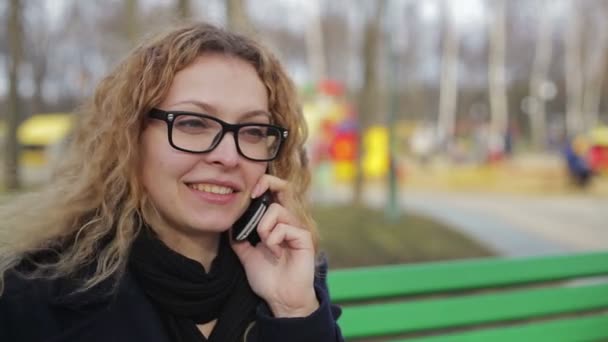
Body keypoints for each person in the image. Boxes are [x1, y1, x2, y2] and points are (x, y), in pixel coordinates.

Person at [0, 22, 344, 342]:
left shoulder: (291, 274)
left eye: (253, 130)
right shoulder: (38, 294)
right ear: (131, 137)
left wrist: (295, 313)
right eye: (193, 124)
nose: (228, 156)